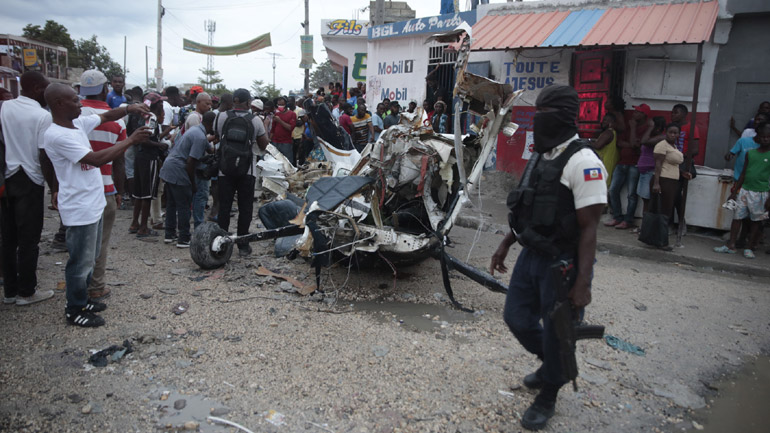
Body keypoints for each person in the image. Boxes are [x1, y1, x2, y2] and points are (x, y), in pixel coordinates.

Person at [489, 85, 606, 431]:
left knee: (558, 332)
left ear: (564, 118)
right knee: (516, 318)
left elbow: (589, 230)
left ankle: (549, 393)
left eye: (543, 114)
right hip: (531, 255)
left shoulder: (584, 163)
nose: (536, 121)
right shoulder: (542, 154)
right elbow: (530, 207)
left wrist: (582, 284)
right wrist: (506, 243)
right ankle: (555, 364)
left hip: (562, 264)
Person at [42, 83, 150, 327]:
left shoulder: (77, 124)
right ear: (59, 104)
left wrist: (129, 108)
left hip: (94, 202)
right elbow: (95, 159)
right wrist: (130, 140)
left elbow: (106, 115)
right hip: (79, 208)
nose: (80, 103)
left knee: (91, 258)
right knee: (79, 262)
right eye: (73, 100)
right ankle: (75, 309)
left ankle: (85, 298)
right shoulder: (56, 135)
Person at [0, 71, 55, 306]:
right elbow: (44, 155)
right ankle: (27, 292)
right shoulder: (42, 116)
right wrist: (54, 187)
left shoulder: (4, 108)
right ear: (35, 88)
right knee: (29, 239)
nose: (47, 94)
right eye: (45, 88)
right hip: (30, 178)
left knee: (7, 237)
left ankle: (9, 291)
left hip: (6, 177)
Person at [78, 70, 128, 300]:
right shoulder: (116, 120)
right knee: (101, 241)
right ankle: (96, 286)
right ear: (106, 89)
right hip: (105, 187)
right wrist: (119, 190)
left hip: (76, 189)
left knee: (77, 241)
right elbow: (119, 161)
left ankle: (76, 285)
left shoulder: (71, 115)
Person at [215, 88, 269, 257]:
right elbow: (263, 145)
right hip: (247, 169)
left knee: (224, 206)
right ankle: (243, 245)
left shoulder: (221, 116)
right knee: (245, 207)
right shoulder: (255, 120)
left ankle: (221, 243)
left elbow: (218, 136)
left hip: (225, 169)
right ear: (248, 103)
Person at [160, 111, 216, 247]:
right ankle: (184, 238)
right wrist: (192, 184)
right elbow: (191, 162)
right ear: (212, 124)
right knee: (184, 205)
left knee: (172, 203)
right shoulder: (200, 137)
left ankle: (170, 233)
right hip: (179, 170)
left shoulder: (196, 131)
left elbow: (209, 150)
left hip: (169, 167)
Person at [715, 123, 770, 258]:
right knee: (737, 217)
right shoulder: (750, 153)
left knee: (755, 220)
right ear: (758, 137)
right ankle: (731, 245)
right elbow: (743, 174)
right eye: (763, 137)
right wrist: (734, 193)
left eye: (768, 137)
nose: (765, 139)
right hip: (745, 190)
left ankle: (749, 247)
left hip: (761, 191)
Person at [128, 93, 170, 238]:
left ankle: (135, 223)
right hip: (148, 158)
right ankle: (143, 228)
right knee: (147, 194)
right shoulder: (151, 117)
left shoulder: (142, 116)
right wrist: (160, 145)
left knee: (139, 193)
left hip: (140, 157)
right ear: (155, 104)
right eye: (160, 103)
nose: (162, 105)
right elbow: (144, 139)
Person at [605, 104, 651, 230]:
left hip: (634, 165)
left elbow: (635, 144)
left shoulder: (644, 128)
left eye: (637, 112)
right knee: (613, 190)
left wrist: (633, 129)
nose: (634, 113)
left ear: (644, 115)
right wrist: (632, 144)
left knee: (631, 194)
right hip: (622, 163)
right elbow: (620, 142)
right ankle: (617, 217)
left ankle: (628, 220)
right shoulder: (628, 127)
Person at [652, 123, 686, 229]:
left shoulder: (674, 147)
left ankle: (661, 237)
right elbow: (658, 165)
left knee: (667, 210)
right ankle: (659, 238)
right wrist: (656, 183)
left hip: (672, 181)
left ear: (678, 135)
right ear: (666, 133)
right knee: (663, 210)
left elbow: (672, 164)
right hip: (663, 180)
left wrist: (682, 173)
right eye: (670, 132)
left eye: (675, 133)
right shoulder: (662, 145)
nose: (672, 135)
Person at [636, 116, 667, 213]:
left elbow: (644, 141)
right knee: (645, 199)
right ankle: (645, 225)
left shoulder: (662, 137)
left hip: (650, 172)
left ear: (657, 128)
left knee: (648, 200)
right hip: (644, 172)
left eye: (651, 126)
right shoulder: (652, 137)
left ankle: (646, 225)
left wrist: (650, 128)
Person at [590, 113, 617, 188]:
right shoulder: (612, 132)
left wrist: (586, 142)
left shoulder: (608, 133)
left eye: (605, 120)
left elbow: (598, 146)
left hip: (604, 163)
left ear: (611, 123)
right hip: (605, 162)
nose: (602, 122)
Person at [270, 96, 297, 163]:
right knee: (275, 161)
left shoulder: (292, 114)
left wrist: (280, 121)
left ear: (286, 104)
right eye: (278, 105)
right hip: (275, 141)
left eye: (282, 105)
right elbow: (273, 129)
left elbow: (290, 128)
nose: (280, 106)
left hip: (286, 143)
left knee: (287, 162)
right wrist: (269, 140)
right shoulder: (276, 114)